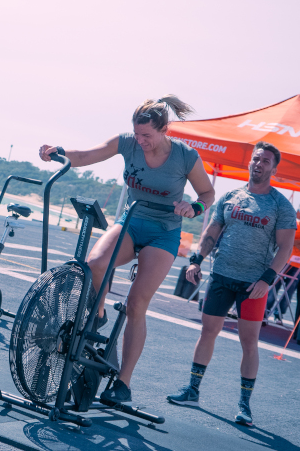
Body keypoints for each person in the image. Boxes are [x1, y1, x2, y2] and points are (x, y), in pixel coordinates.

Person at [39, 96, 215, 406]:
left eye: (147, 135)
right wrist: (58, 152)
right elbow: (85, 156)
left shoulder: (185, 157)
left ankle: (123, 382)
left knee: (136, 304)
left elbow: (207, 192)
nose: (141, 141)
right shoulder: (128, 143)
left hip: (164, 232)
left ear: (164, 130)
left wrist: (195, 207)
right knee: (93, 264)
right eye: (137, 134)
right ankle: (99, 317)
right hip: (131, 222)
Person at [172, 142, 296, 426]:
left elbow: (285, 249)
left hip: (253, 285)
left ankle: (244, 404)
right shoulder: (230, 196)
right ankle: (192, 390)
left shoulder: (281, 206)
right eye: (256, 159)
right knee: (208, 332)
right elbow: (211, 231)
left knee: (249, 342)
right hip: (221, 276)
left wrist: (267, 280)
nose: (259, 164)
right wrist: (196, 260)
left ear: (274, 168)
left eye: (265, 161)